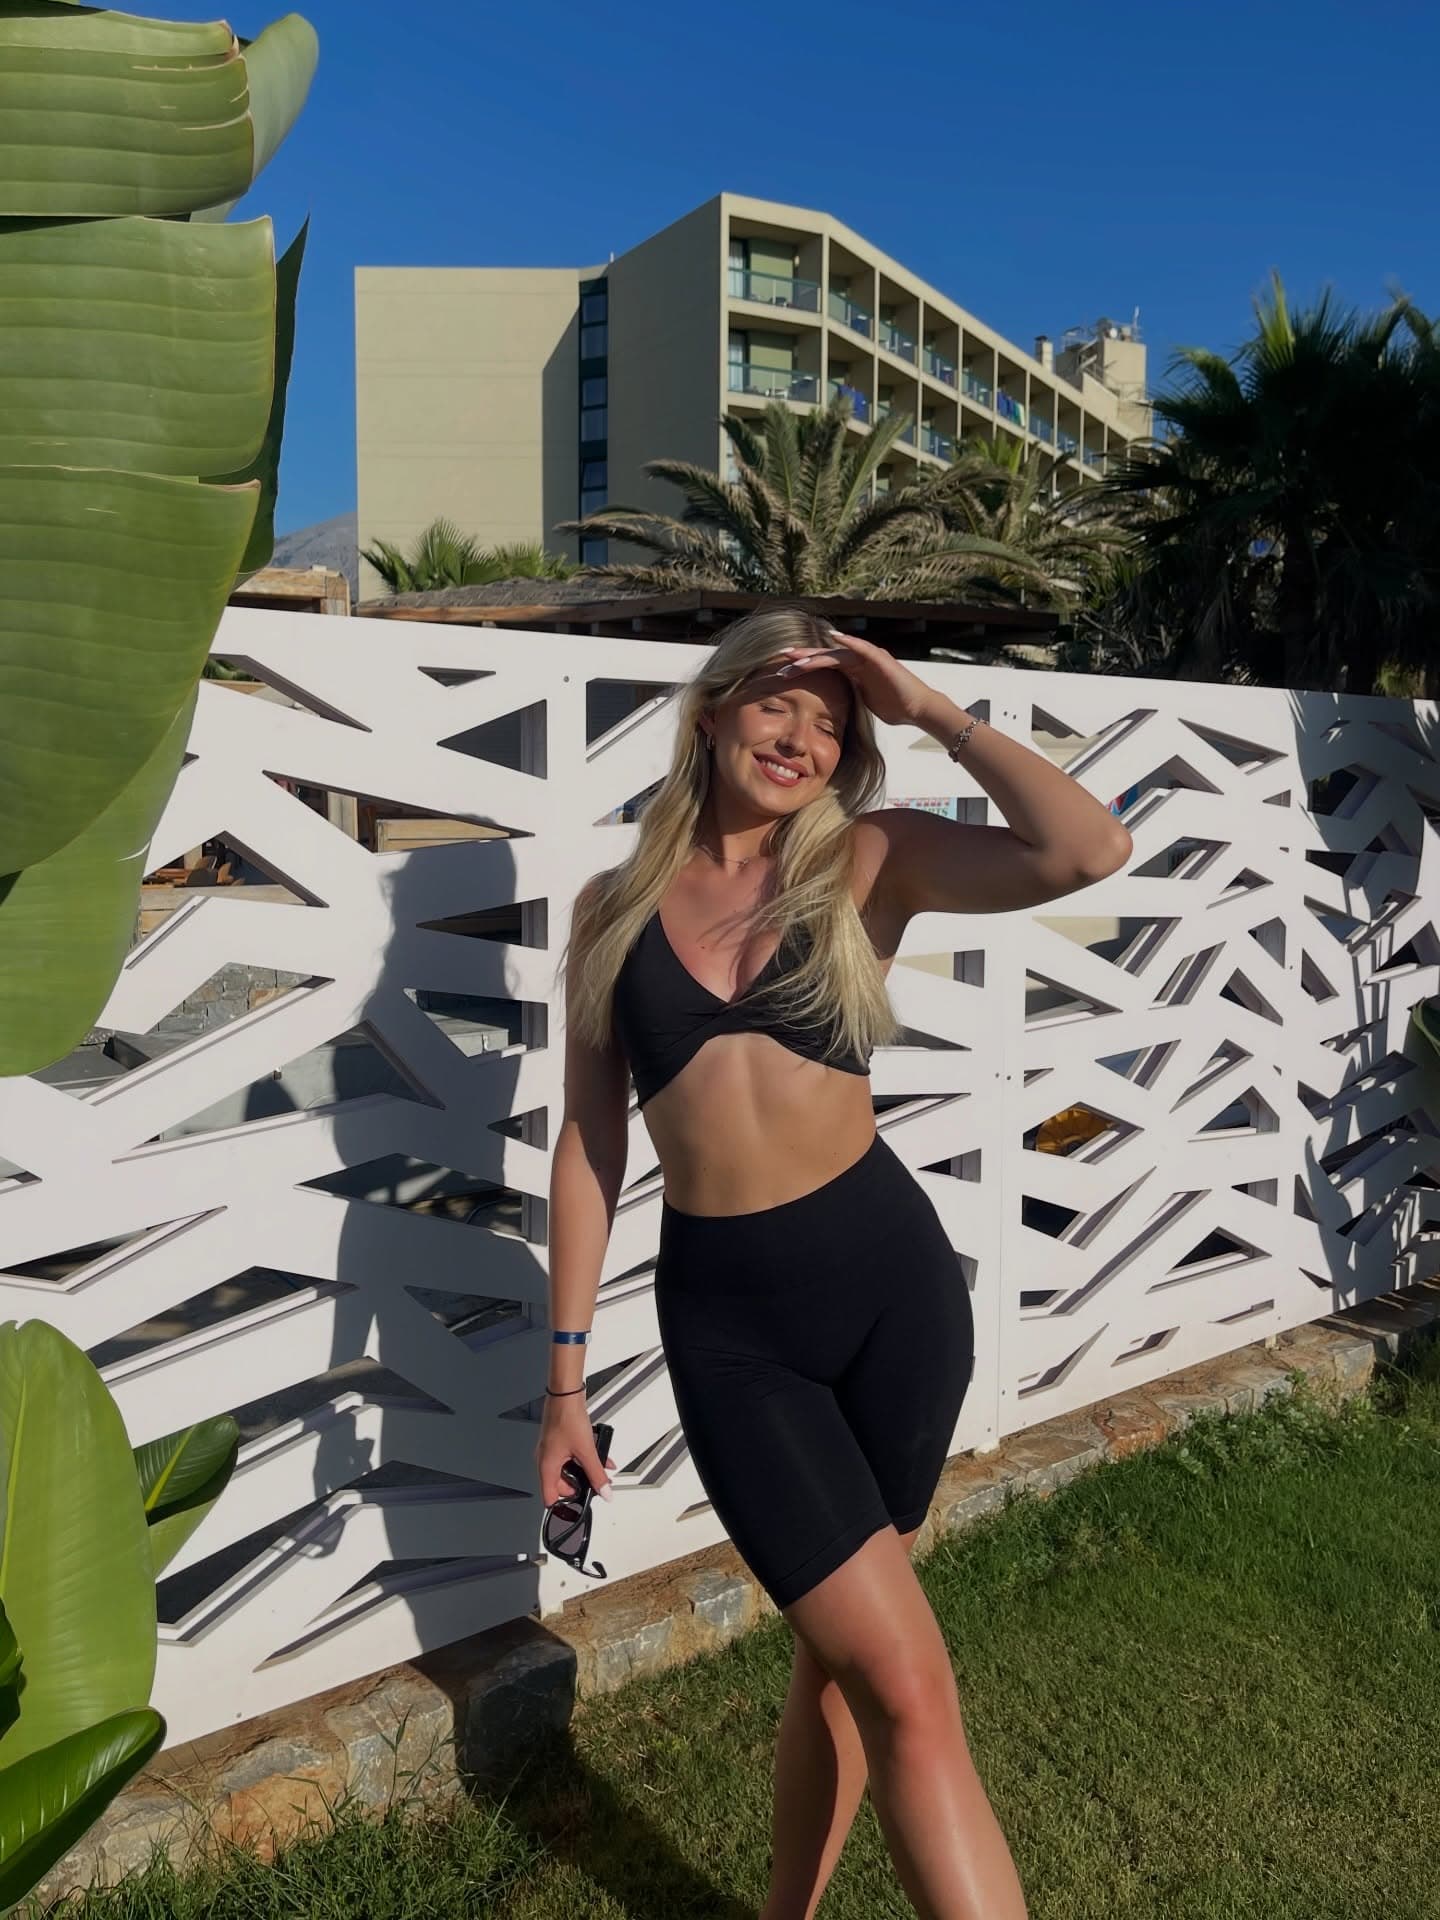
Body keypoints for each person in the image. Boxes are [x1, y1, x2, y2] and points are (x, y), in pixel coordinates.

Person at [536, 605, 1132, 1920]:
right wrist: (566, 1380)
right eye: (776, 703)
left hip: (893, 1301)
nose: (802, 735)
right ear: (713, 713)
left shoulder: (871, 860)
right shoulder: (609, 913)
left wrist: (925, 710)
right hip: (737, 1340)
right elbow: (589, 1143)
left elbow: (1086, 847)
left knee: (853, 1662)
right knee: (897, 1676)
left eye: (830, 718)